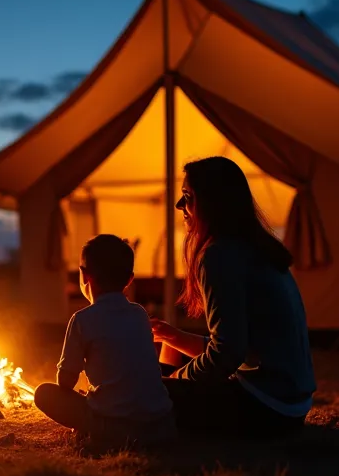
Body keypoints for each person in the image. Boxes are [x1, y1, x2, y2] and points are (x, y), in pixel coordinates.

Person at [151, 156, 316, 438]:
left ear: (213, 202)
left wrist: (175, 380)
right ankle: (158, 392)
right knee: (170, 348)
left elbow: (227, 353)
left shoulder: (219, 255)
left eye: (187, 197)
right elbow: (241, 346)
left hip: (265, 407)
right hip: (293, 404)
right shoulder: (256, 248)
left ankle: (105, 410)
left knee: (136, 392)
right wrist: (174, 337)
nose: (180, 206)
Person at [32, 234, 176, 452]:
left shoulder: (81, 319)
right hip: (161, 426)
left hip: (113, 428)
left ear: (84, 276)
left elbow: (65, 382)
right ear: (129, 279)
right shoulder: (139, 314)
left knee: (44, 393)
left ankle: (99, 435)